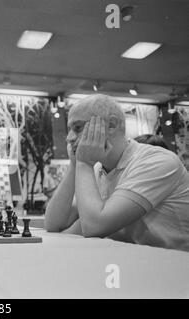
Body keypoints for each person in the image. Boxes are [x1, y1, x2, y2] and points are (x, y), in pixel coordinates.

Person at [44, 94, 189, 251]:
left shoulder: (157, 161)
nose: (69, 138)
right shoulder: (99, 169)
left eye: (78, 128)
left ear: (111, 125)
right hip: (131, 265)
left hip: (174, 268)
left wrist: (84, 162)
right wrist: (74, 164)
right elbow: (53, 223)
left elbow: (94, 226)